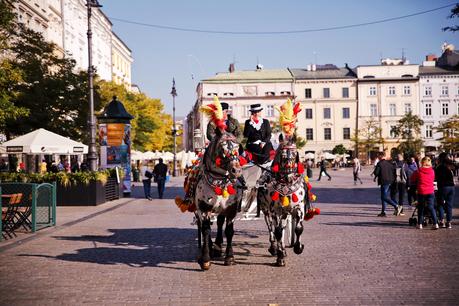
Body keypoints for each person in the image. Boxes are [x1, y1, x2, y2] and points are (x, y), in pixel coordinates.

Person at [411, 157, 438, 230]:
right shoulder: (432, 171)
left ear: (422, 162)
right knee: (431, 207)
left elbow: (412, 179)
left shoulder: (418, 171)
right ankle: (435, 223)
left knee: (421, 208)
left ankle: (420, 224)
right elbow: (432, 179)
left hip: (421, 191)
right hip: (430, 191)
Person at [374, 151, 402, 217]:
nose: (377, 157)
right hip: (391, 181)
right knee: (384, 196)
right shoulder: (390, 163)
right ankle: (383, 212)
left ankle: (396, 206)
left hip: (384, 181)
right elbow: (394, 171)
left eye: (378, 156)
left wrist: (376, 170)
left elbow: (376, 173)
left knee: (384, 197)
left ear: (381, 156)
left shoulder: (380, 163)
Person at [435, 152, 455, 228]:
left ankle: (442, 221)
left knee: (440, 204)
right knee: (449, 205)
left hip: (443, 187)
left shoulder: (439, 167)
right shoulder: (450, 166)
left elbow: (436, 178)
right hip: (451, 187)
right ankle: (449, 222)